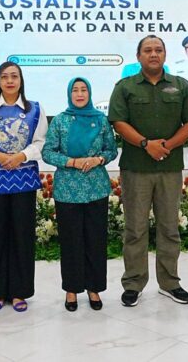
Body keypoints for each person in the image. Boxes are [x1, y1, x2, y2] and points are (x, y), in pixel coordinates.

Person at [108, 34, 188, 307]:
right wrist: (145, 144)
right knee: (135, 229)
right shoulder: (125, 86)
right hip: (136, 167)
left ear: (164, 55)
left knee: (169, 227)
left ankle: (170, 283)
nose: (153, 54)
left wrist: (167, 146)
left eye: (158, 50)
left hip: (169, 168)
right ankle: (134, 283)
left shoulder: (181, 86)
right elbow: (118, 121)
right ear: (138, 56)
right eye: (147, 50)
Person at [0, 61, 47, 312]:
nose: (10, 81)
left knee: (22, 237)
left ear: (21, 80)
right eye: (5, 77)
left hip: (24, 182)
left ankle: (19, 292)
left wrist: (22, 156)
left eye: (14, 76)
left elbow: (40, 143)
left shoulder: (34, 109)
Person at [42, 77, 118, 311]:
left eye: (84, 89)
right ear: (69, 94)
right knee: (71, 241)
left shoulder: (101, 120)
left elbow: (111, 149)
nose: (80, 93)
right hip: (68, 190)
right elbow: (47, 152)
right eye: (75, 90)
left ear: (90, 92)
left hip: (96, 188)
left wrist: (98, 159)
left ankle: (94, 288)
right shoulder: (60, 121)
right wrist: (72, 161)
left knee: (95, 240)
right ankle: (72, 290)